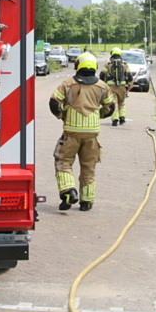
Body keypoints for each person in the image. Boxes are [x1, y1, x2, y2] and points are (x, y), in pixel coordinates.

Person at [49, 52, 115, 212]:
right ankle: (87, 201)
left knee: (63, 160)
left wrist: (61, 115)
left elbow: (54, 102)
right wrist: (99, 115)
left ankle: (68, 191)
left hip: (71, 131)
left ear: (78, 65)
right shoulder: (102, 86)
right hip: (92, 133)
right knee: (88, 166)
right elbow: (110, 107)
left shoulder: (67, 83)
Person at [100, 47, 134, 127]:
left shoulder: (108, 64)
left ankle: (115, 120)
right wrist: (130, 84)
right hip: (122, 86)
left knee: (113, 102)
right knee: (121, 102)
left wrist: (102, 84)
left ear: (112, 54)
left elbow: (102, 75)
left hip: (110, 86)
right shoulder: (124, 64)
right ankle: (122, 117)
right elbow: (129, 76)